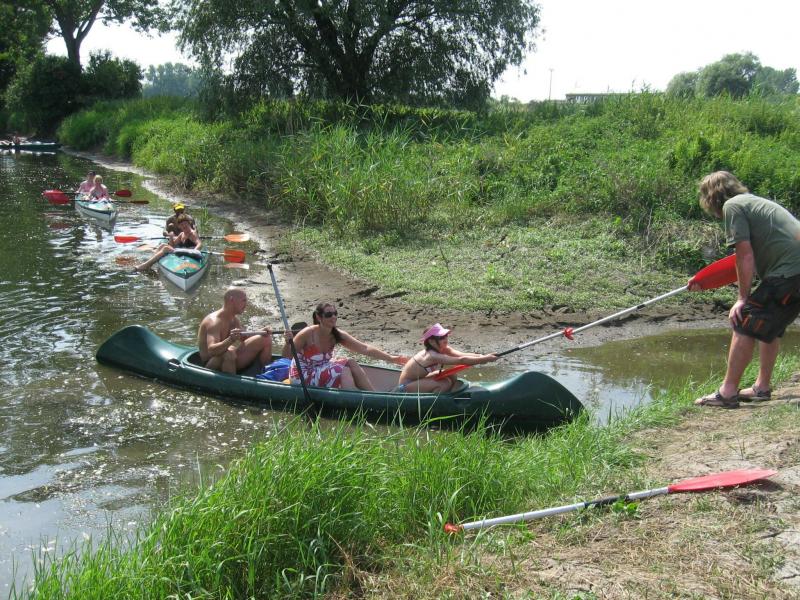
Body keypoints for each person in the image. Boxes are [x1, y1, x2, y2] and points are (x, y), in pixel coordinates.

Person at [692, 171, 800, 409]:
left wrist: (742, 298)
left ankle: (727, 392)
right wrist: (704, 280)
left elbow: (744, 255)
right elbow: (737, 260)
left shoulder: (733, 206)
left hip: (789, 271)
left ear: (711, 198)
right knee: (770, 327)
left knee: (744, 320)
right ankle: (761, 387)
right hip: (794, 271)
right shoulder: (753, 202)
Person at [288, 302, 408, 390]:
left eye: (335, 313)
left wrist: (391, 358)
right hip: (302, 376)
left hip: (321, 368)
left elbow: (364, 348)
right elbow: (286, 355)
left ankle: (372, 394)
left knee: (350, 362)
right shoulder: (308, 333)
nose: (333, 317)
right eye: (329, 314)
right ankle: (354, 397)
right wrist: (288, 341)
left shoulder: (337, 334)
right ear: (319, 317)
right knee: (342, 370)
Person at [396, 323, 498, 393]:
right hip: (405, 387)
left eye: (445, 336)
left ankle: (447, 395)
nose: (445, 339)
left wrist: (483, 357)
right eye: (441, 337)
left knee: (451, 374)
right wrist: (484, 359)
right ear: (431, 341)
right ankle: (434, 404)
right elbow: (461, 360)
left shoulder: (443, 348)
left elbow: (461, 355)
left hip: (419, 380)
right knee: (443, 384)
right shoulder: (432, 356)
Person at [198, 287, 273, 373]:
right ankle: (231, 381)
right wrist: (230, 340)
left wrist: (261, 332)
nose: (246, 305)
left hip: (229, 359)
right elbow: (212, 351)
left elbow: (244, 338)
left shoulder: (234, 319)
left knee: (265, 339)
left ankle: (266, 374)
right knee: (229, 353)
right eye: (243, 300)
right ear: (232, 300)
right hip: (211, 365)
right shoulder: (214, 322)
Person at [134, 214, 201, 272]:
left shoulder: (192, 233)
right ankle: (150, 262)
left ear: (189, 223)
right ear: (179, 226)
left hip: (190, 253)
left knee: (166, 248)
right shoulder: (182, 234)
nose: (184, 226)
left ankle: (146, 265)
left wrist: (194, 251)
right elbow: (172, 246)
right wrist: (171, 237)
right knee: (163, 245)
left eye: (185, 224)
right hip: (182, 251)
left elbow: (199, 243)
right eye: (182, 225)